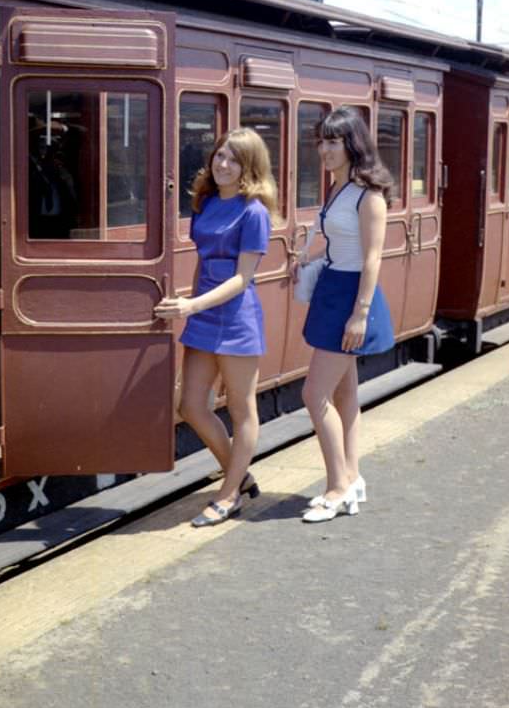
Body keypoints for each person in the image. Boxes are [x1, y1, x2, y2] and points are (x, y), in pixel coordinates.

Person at [155, 127, 277, 527]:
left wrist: (191, 304)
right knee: (189, 405)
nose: (222, 164)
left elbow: (243, 279)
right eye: (219, 155)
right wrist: (189, 299)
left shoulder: (254, 211)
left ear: (250, 166)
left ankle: (229, 497)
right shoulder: (205, 203)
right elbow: (205, 262)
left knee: (242, 410)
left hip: (236, 317)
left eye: (233, 159)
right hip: (205, 311)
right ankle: (239, 476)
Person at [296, 107, 394, 523]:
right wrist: (311, 260)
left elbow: (372, 258)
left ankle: (337, 487)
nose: (325, 149)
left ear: (353, 145)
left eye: (334, 141)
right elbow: (342, 244)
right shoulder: (338, 189)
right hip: (333, 288)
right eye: (321, 141)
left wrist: (360, 314)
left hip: (353, 296)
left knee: (313, 395)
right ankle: (352, 477)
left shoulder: (368, 196)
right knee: (344, 392)